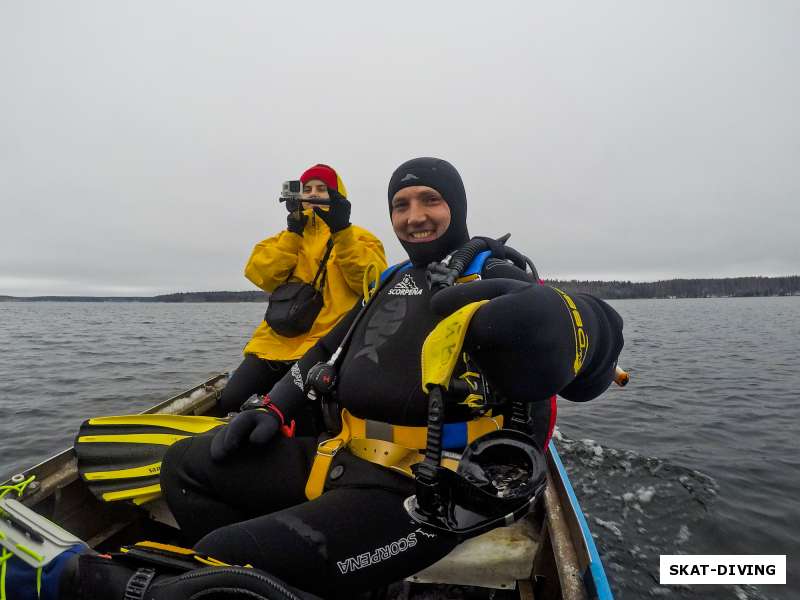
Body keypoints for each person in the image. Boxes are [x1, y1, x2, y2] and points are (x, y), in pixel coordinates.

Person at [12, 158, 623, 599]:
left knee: (228, 560)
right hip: (344, 456)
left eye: (430, 201)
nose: (415, 217)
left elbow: (580, 345)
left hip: (432, 493)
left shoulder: (500, 276)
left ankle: (244, 578)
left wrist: (572, 323)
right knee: (186, 467)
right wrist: (272, 410)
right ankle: (284, 581)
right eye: (402, 205)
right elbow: (324, 353)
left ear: (456, 207)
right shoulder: (390, 283)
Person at [218, 164, 388, 429]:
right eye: (307, 189)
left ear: (337, 195)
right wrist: (293, 234)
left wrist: (342, 232)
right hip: (274, 343)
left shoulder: (361, 238)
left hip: (326, 344)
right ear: (297, 196)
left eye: (322, 188)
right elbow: (261, 275)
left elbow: (370, 283)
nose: (314, 194)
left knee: (305, 418)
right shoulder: (283, 238)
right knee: (230, 400)